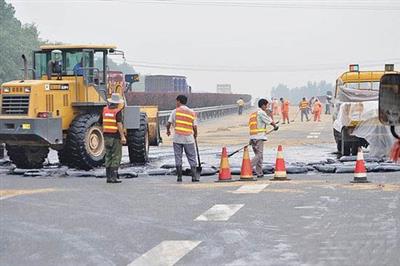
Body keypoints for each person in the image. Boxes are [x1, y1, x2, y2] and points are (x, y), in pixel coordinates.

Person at [166, 95, 199, 182]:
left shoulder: (175, 111)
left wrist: (168, 131)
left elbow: (168, 123)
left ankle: (179, 177)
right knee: (192, 157)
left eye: (176, 101)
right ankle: (194, 176)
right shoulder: (192, 112)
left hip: (177, 138)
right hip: (189, 138)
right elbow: (194, 126)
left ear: (179, 101)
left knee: (178, 157)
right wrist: (195, 134)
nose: (176, 103)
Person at [249, 99, 279, 178]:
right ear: (263, 105)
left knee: (259, 156)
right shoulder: (261, 113)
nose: (267, 107)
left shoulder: (254, 114)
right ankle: (248, 167)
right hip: (259, 137)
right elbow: (269, 121)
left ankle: (259, 173)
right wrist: (275, 126)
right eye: (267, 105)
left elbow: (252, 126)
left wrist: (250, 139)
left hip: (253, 137)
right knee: (259, 155)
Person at [103, 93, 126, 184]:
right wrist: (122, 136)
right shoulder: (117, 112)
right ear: (117, 103)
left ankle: (108, 177)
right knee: (116, 157)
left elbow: (100, 122)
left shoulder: (104, 110)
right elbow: (119, 125)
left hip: (106, 137)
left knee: (108, 156)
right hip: (115, 137)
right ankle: (113, 177)